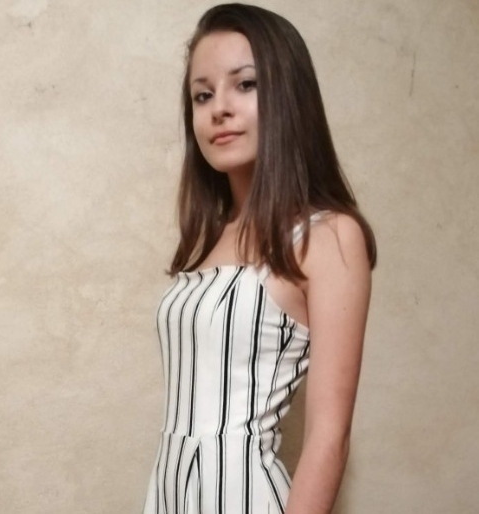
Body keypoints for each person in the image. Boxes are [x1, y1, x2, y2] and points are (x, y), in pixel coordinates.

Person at [142, 3, 376, 513]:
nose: (218, 109)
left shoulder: (329, 236)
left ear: (288, 97)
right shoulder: (208, 237)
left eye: (245, 85)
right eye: (203, 95)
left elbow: (329, 439)